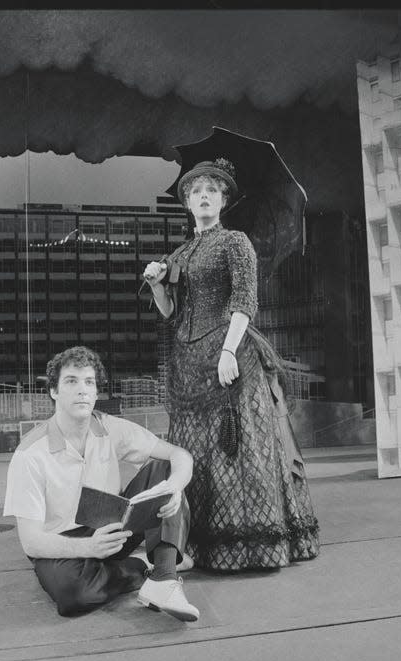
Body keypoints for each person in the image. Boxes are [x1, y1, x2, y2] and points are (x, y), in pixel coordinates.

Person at [143, 158, 320, 572]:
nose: (204, 196)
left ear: (223, 200)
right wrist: (156, 284)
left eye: (212, 190)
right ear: (187, 202)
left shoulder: (235, 242)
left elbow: (245, 301)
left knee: (233, 448)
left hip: (231, 358)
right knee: (194, 452)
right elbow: (171, 312)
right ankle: (191, 544)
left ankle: (246, 546)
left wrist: (228, 350)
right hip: (188, 363)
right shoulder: (180, 252)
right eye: (196, 191)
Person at [3, 346, 199, 621]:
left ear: (96, 392)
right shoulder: (30, 454)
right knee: (73, 596)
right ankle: (142, 566)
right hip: (60, 543)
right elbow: (31, 542)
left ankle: (164, 578)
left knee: (164, 470)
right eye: (71, 381)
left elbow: (179, 455)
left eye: (89, 382)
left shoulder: (110, 427)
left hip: (112, 527)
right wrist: (88, 548)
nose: (82, 390)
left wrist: (175, 486)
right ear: (54, 392)